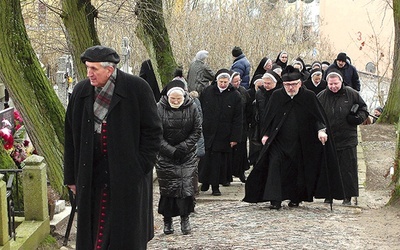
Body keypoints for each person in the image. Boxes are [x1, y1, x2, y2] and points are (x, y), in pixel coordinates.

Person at [64, 45, 162, 249]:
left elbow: (153, 132)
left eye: (94, 69)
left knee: (125, 232)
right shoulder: (82, 91)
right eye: (87, 68)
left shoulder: (137, 88)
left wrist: (140, 166)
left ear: (109, 70)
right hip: (91, 174)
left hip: (127, 175)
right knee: (93, 233)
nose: (89, 73)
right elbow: (70, 136)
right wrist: (71, 177)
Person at [243, 66, 345, 209]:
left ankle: (295, 198)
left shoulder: (308, 96)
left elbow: (317, 117)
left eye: (293, 84)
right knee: (274, 165)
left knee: (298, 171)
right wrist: (265, 134)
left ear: (300, 83)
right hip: (278, 141)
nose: (290, 88)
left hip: (301, 141)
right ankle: (274, 199)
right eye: (287, 85)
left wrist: (321, 130)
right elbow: (268, 118)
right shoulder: (277, 96)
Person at [156, 80, 202, 235]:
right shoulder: (159, 108)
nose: (175, 101)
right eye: (173, 99)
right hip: (165, 155)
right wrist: (170, 150)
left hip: (186, 155)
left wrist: (183, 147)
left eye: (178, 99)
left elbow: (197, 130)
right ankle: (167, 220)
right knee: (168, 189)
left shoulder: (192, 107)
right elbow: (155, 133)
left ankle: (185, 218)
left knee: (186, 188)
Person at [317, 69, 368, 205]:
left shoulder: (352, 94)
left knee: (348, 169)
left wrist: (357, 118)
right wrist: (320, 129)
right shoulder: (322, 96)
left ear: (341, 82)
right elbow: (315, 115)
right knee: (329, 167)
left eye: (336, 84)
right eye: (331, 84)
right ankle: (329, 194)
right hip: (329, 138)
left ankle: (348, 195)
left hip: (347, 137)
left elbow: (364, 109)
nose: (333, 87)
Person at [198, 69, 243, 196]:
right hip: (208, 131)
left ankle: (215, 186)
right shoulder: (207, 92)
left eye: (225, 82)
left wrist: (235, 137)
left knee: (218, 162)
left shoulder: (235, 96)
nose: (223, 84)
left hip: (224, 133)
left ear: (229, 82)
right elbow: (200, 110)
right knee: (206, 159)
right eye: (221, 81)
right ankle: (205, 181)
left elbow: (238, 119)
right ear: (216, 81)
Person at [230, 71, 251, 183]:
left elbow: (248, 110)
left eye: (239, 81)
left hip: (242, 125)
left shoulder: (243, 91)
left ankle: (241, 172)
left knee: (241, 151)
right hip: (229, 126)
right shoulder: (229, 92)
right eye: (235, 81)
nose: (237, 83)